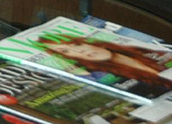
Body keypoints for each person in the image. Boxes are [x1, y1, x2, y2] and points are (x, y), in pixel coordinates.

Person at [40, 37, 172, 88]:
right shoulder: (103, 76)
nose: (80, 51)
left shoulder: (140, 50)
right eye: (66, 51)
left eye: (76, 44)